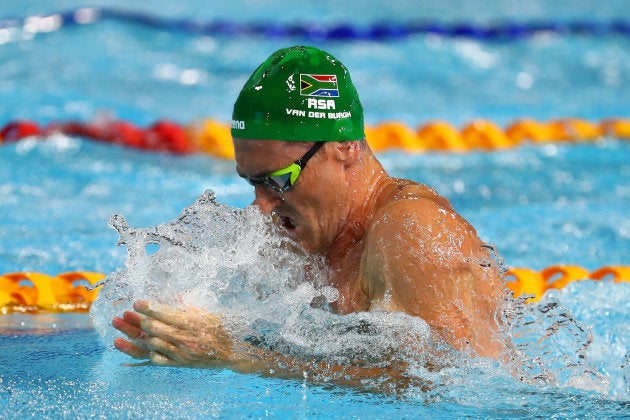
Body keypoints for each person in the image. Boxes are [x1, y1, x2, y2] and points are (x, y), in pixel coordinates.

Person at [112, 45, 507, 377]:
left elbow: (447, 382)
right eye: (252, 183)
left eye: (279, 180)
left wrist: (236, 355)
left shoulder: (411, 229)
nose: (263, 206)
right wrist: (176, 331)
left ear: (345, 147)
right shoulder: (299, 233)